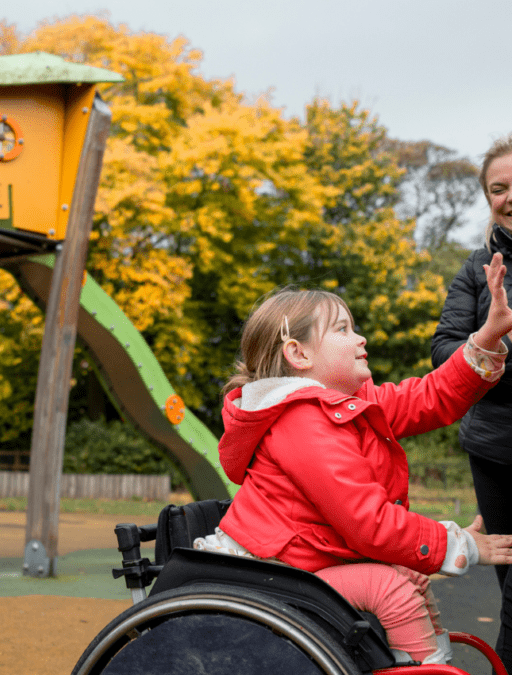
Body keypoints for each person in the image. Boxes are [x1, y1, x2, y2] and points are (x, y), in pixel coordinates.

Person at [193, 254, 512, 666]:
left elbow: (428, 398)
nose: (360, 338)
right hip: (276, 576)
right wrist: (461, 543)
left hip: (308, 565)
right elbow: (370, 524)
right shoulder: (300, 421)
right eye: (343, 330)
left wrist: (486, 337)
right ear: (298, 355)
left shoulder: (352, 405)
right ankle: (425, 668)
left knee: (409, 575)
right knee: (389, 586)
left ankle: (426, 663)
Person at [432, 134, 512, 671]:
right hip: (496, 452)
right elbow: (445, 352)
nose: (508, 196)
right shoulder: (476, 269)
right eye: (498, 188)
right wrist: (492, 342)